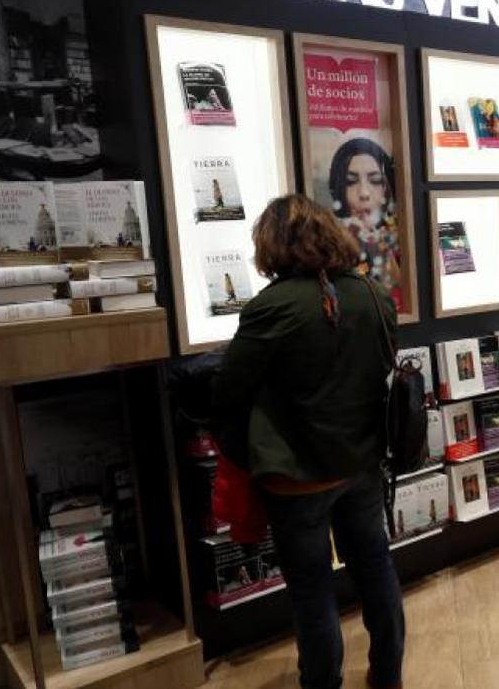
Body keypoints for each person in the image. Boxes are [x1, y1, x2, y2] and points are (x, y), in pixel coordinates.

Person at [212, 194, 405, 689]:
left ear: (272, 245)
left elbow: (229, 390)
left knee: (311, 588)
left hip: (296, 476)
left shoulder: (270, 307)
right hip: (362, 463)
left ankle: (321, 683)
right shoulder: (373, 294)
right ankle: (387, 675)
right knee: (375, 567)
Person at [328, 138, 401, 302]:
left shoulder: (399, 236)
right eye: (351, 182)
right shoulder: (329, 243)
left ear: (387, 189)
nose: (364, 193)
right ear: (338, 188)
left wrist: (379, 249)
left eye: (375, 181)